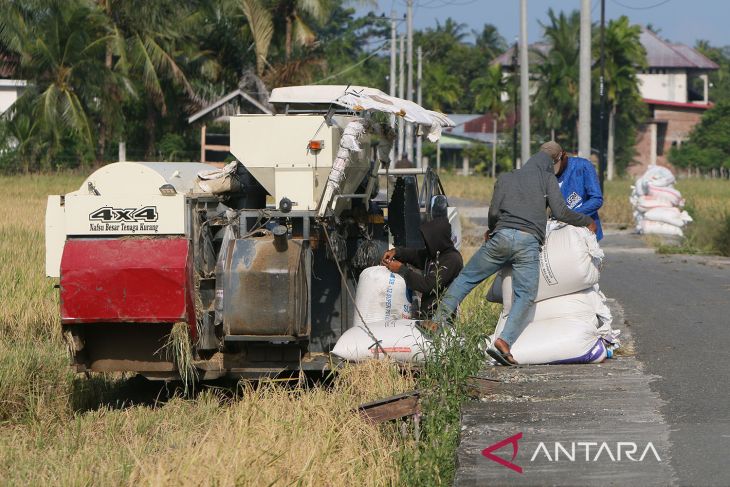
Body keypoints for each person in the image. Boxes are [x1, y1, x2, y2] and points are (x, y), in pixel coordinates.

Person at [429, 150, 597, 366]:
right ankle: (504, 341)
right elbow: (561, 212)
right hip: (527, 243)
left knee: (466, 278)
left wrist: (492, 230)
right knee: (525, 295)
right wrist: (585, 220)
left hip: (501, 237)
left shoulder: (506, 177)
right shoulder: (547, 178)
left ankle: (436, 322)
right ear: (550, 164)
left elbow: (493, 212)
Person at [381, 217, 463, 320]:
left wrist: (401, 269)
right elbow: (416, 255)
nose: (426, 244)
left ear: (437, 239)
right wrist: (397, 252)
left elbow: (427, 285)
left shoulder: (452, 260)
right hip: (428, 317)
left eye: (429, 240)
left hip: (441, 320)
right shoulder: (435, 253)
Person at [542, 141, 604, 240]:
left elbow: (596, 199)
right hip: (559, 231)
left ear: (564, 156)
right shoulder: (543, 174)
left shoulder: (583, 166)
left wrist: (570, 216)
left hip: (585, 229)